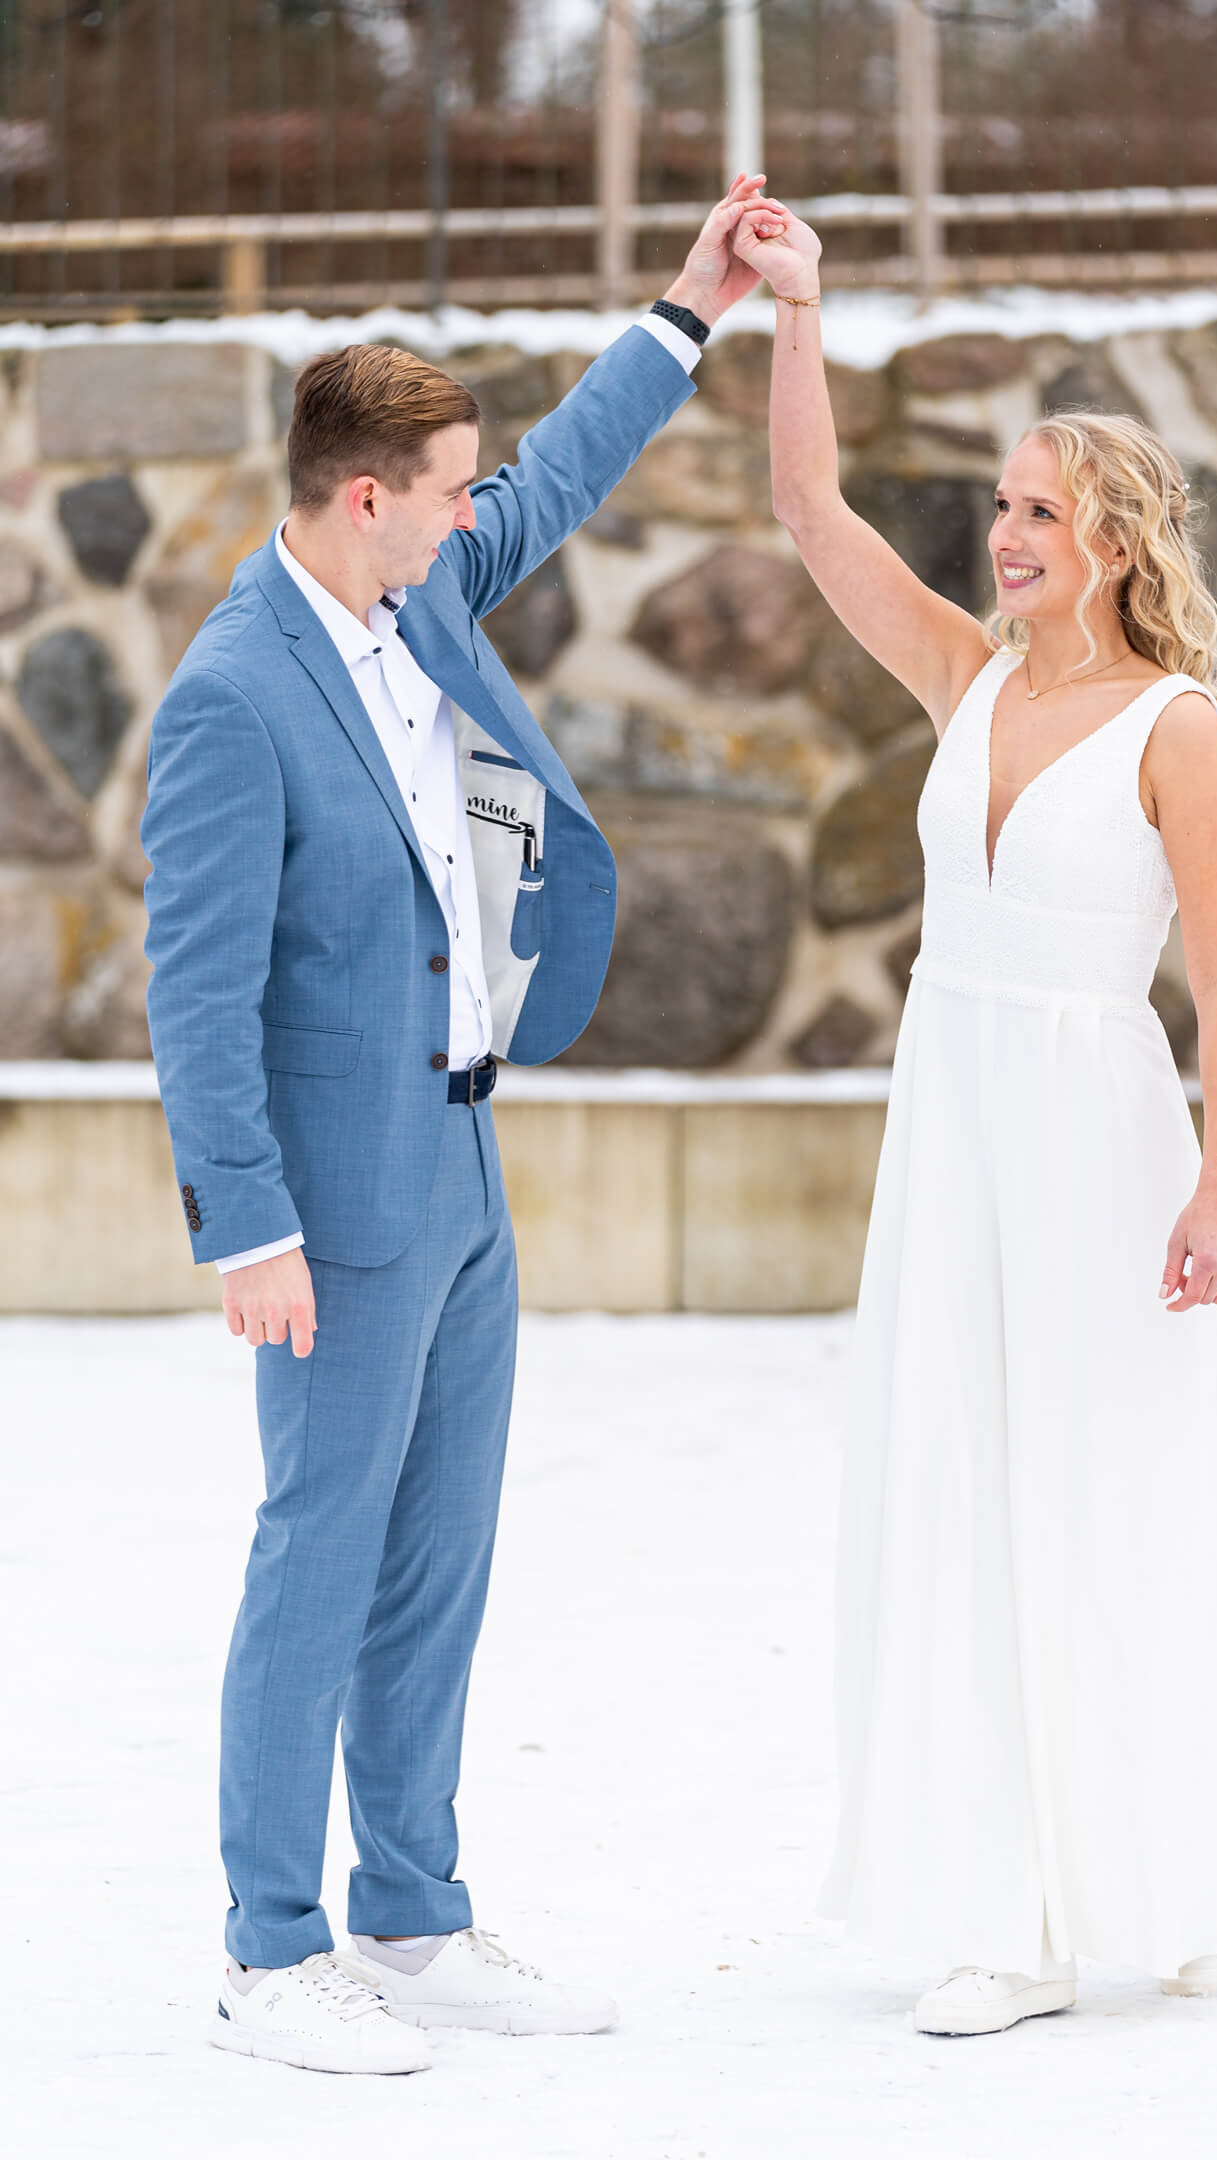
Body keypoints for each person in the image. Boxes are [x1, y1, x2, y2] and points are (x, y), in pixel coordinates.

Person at [142, 175, 785, 2077]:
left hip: (469, 1153)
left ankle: (409, 1915)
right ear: (366, 499)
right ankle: (272, 1949)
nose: (474, 511)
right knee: (319, 1545)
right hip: (333, 1196)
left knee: (442, 1552)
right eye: (449, 487)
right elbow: (193, 990)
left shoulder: (417, 596)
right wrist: (243, 1224)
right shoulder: (229, 699)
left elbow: (565, 473)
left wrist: (688, 306)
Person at [733, 203, 1217, 2036]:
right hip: (949, 1112)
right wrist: (798, 311)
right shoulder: (965, 679)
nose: (1007, 532)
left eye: (1042, 509)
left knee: (1087, 1483)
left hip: (1092, 1135)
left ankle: (1100, 1892)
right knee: (956, 1471)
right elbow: (813, 512)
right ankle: (998, 1892)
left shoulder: (1176, 730)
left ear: (1113, 541)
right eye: (1004, 505)